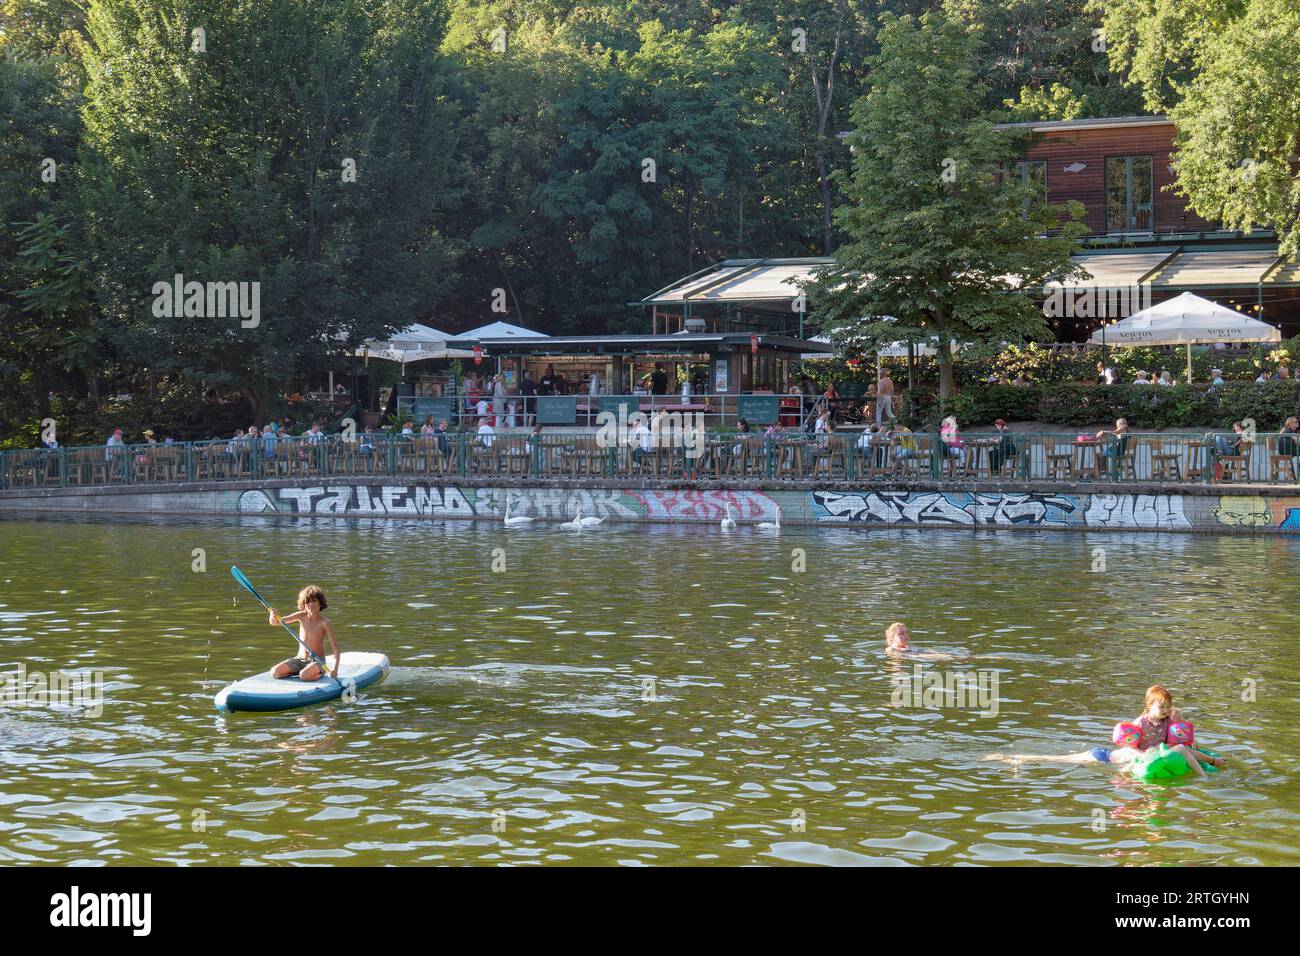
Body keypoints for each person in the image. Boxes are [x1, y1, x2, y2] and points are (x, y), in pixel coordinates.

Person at [269, 585, 339, 682]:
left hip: (317, 661)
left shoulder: (325, 623)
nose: (310, 604)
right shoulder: (301, 616)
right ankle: (299, 671)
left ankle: (318, 673)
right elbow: (275, 622)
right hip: (299, 660)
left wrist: (335, 669)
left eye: (314, 600)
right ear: (303, 605)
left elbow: (335, 649)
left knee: (305, 676)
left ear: (320, 603)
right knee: (275, 672)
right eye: (307, 602)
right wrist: (273, 615)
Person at [884, 623, 958, 661]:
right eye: (901, 633)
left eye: (906, 632)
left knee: (950, 655)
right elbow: (898, 660)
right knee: (950, 657)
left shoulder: (909, 647)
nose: (906, 635)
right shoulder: (891, 649)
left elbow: (927, 652)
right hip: (918, 657)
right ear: (892, 637)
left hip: (920, 655)